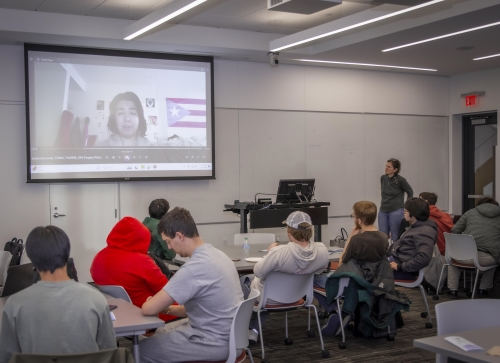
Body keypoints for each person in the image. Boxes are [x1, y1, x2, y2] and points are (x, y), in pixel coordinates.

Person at [139, 207, 243, 363]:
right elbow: (196, 310)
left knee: (140, 349)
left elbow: (148, 309)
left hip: (214, 341)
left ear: (180, 236)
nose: (168, 247)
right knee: (160, 332)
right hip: (231, 335)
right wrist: (167, 308)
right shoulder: (218, 254)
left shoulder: (194, 268)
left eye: (168, 242)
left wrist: (152, 303)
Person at [0, 226, 116, 362]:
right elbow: (110, 354)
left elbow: (7, 358)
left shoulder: (14, 304)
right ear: (67, 254)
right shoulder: (96, 299)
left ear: (32, 259)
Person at [241, 211, 329, 342]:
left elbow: (259, 272)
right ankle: (253, 329)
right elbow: (318, 271)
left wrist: (270, 252)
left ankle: (247, 330)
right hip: (299, 296)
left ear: (290, 232)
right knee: (268, 288)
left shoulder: (279, 253)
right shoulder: (322, 251)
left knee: (244, 281)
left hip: (270, 297)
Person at [318, 201, 390, 336]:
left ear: (359, 220)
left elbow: (342, 261)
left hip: (355, 282)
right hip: (375, 282)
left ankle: (333, 310)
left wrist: (351, 236)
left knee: (316, 280)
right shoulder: (383, 237)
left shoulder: (357, 239)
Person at [90, 216, 176, 322]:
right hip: (153, 314)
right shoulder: (142, 262)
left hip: (120, 314)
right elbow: (169, 291)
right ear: (142, 239)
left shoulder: (98, 258)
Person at [446, 197, 500, 298]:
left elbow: (454, 231)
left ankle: (452, 290)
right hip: (484, 259)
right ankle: (483, 289)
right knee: (495, 259)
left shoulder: (470, 212)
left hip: (464, 256)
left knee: (453, 258)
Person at [389, 197, 437, 280]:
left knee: (365, 271)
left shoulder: (424, 232)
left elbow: (423, 259)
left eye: (406, 210)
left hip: (402, 269)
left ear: (414, 213)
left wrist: (399, 267)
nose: (404, 213)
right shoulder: (416, 227)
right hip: (395, 260)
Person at [379, 158, 413, 242]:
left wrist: (407, 206)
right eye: (386, 166)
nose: (386, 168)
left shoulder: (400, 180)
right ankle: (384, 253)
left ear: (395, 169)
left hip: (396, 210)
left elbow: (410, 192)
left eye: (389, 167)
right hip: (383, 210)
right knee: (382, 236)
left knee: (395, 236)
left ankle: (395, 254)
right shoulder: (383, 178)